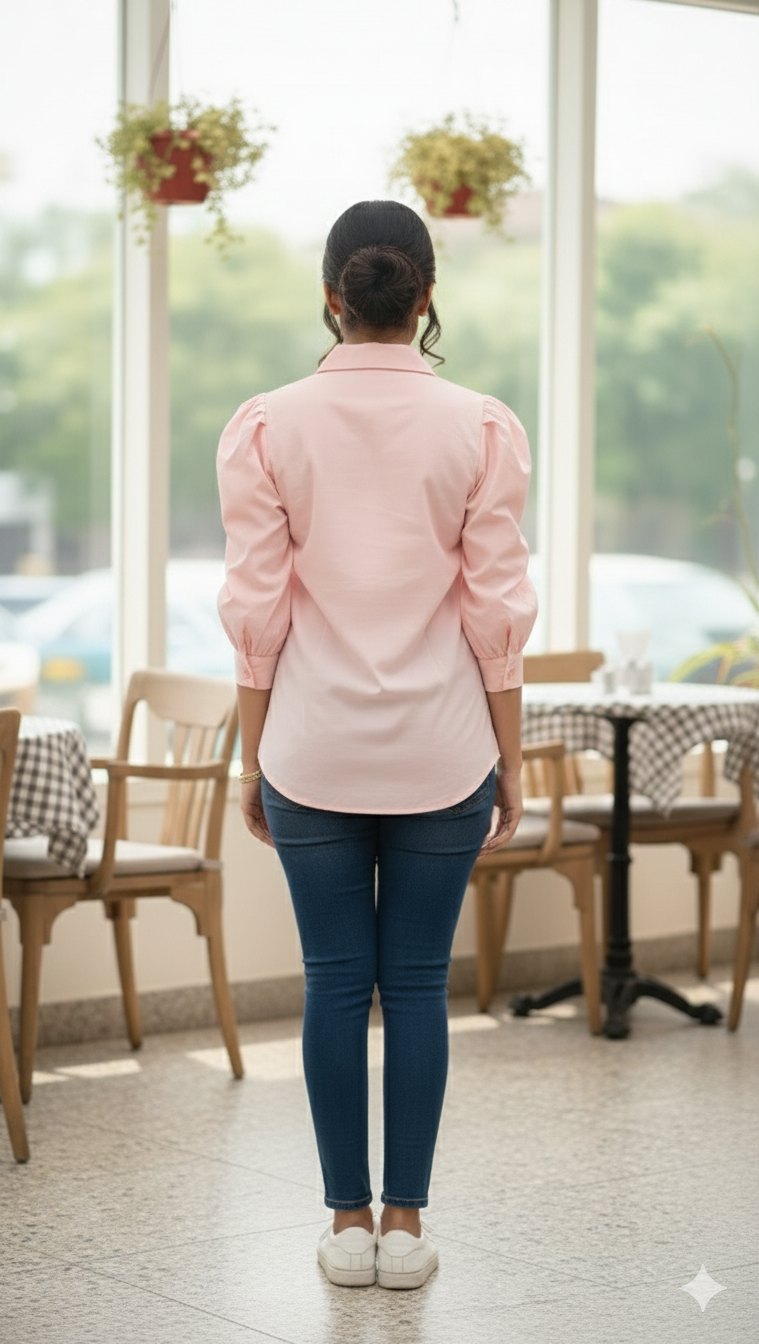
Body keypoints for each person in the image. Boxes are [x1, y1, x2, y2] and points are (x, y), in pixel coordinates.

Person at [216, 199, 538, 1291]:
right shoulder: (484, 427)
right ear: (427, 295)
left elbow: (257, 614)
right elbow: (496, 615)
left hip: (310, 749)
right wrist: (515, 758)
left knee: (331, 983)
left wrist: (252, 757)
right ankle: (406, 1229)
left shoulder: (265, 424)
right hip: (444, 753)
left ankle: (344, 1224)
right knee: (414, 987)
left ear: (332, 296)